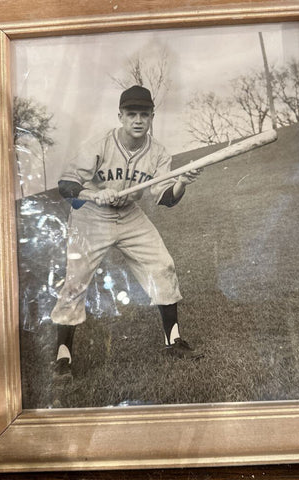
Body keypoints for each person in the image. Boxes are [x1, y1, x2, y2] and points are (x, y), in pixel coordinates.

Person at [51, 85, 203, 379]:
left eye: (143, 114)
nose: (137, 120)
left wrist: (181, 181)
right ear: (120, 116)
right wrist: (95, 194)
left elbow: (166, 198)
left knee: (162, 266)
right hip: (91, 217)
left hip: (130, 215)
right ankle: (63, 357)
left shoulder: (158, 153)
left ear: (151, 117)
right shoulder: (100, 144)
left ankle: (173, 341)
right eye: (131, 114)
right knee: (75, 281)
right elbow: (66, 185)